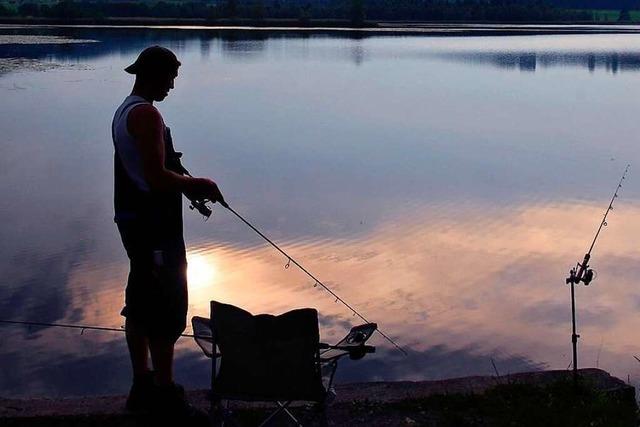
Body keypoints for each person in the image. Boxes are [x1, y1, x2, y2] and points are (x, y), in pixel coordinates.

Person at [111, 46, 224, 418]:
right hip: (154, 227)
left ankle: (142, 385)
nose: (173, 85)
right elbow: (157, 178)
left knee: (141, 300)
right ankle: (164, 393)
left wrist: (186, 183)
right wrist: (199, 183)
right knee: (166, 306)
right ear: (155, 75)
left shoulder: (124, 110)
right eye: (171, 76)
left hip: (134, 223)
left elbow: (150, 171)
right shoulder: (147, 116)